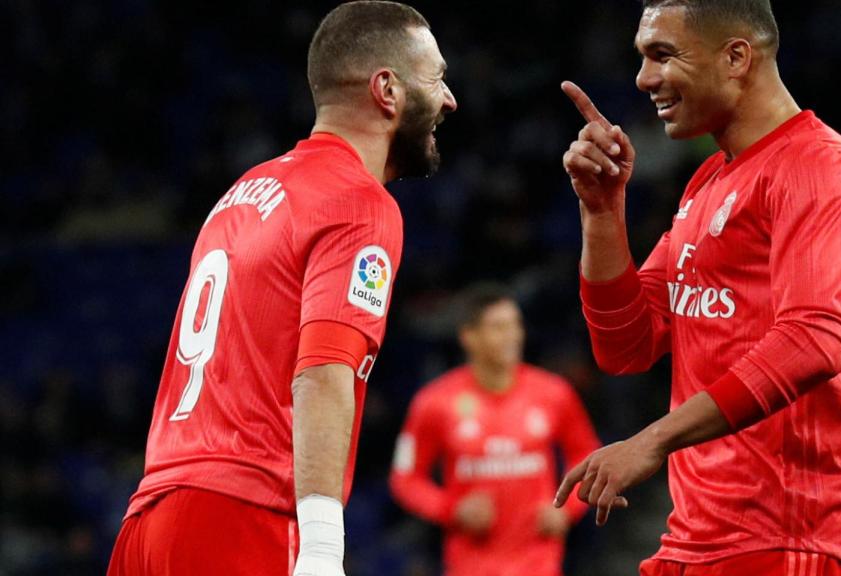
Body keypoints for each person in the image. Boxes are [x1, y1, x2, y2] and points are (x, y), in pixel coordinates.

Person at [106, 2, 457, 575]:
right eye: (436, 77)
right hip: (243, 517)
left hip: (151, 518)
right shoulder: (360, 203)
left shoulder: (244, 190)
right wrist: (322, 547)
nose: (448, 99)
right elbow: (322, 371)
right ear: (387, 90)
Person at [552, 1, 841, 575]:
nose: (643, 78)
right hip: (697, 539)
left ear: (735, 57)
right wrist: (602, 215)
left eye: (662, 55)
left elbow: (814, 339)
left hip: (790, 538)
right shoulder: (710, 179)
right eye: (642, 58)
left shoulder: (817, 166)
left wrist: (652, 440)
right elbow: (627, 344)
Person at [389, 284, 600, 576]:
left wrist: (568, 507)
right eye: (498, 327)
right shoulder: (434, 402)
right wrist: (452, 509)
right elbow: (405, 479)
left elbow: (587, 454)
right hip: (470, 564)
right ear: (469, 336)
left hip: (539, 562)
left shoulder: (554, 393)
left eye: (515, 325)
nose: (512, 336)